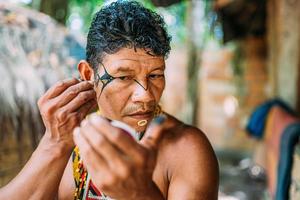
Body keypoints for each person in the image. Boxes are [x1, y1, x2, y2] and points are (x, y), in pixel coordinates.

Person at [0, 1, 219, 199]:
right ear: (88, 75)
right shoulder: (71, 141)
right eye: (123, 77)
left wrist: (139, 194)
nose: (145, 95)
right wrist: (55, 144)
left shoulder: (186, 149)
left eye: (155, 75)